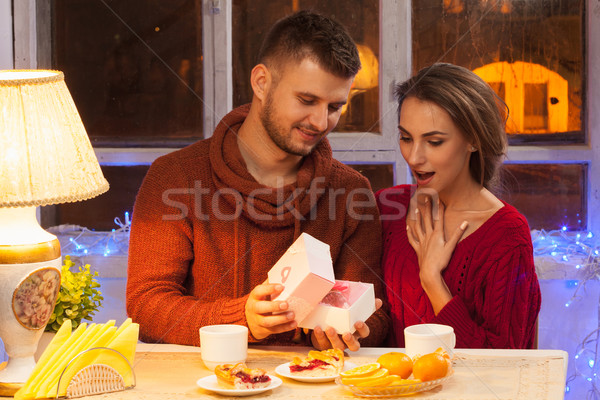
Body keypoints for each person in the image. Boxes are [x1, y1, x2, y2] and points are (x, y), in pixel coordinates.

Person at [127, 10, 390, 350]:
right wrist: (242, 320)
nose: (321, 120)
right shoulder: (174, 177)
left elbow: (375, 315)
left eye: (336, 106)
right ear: (262, 82)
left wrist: (352, 330)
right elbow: (145, 306)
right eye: (307, 100)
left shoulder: (352, 191)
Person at [376, 63, 541, 349]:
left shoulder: (507, 236)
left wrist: (432, 280)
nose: (414, 157)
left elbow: (501, 366)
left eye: (434, 142)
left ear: (473, 140)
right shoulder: (389, 207)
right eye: (406, 138)